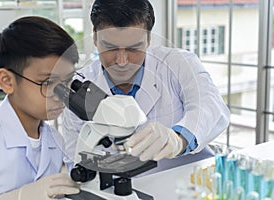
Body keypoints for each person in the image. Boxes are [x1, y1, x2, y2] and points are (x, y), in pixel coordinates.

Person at [62, 0, 230, 175]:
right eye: (110, 47)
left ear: (149, 39)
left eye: (134, 48)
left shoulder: (178, 63)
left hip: (188, 182)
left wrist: (178, 139)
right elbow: (74, 158)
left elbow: (210, 106)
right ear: (95, 38)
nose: (122, 61)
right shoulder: (79, 90)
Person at [0, 16, 80, 199]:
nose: (62, 94)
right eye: (48, 82)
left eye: (68, 80)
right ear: (7, 81)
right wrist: (19, 196)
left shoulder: (55, 140)